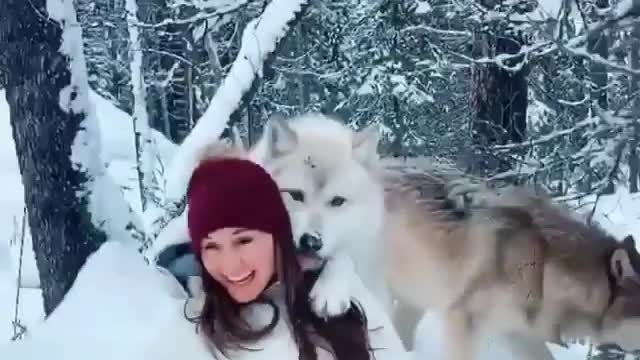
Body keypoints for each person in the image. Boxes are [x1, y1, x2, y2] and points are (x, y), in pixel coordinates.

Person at [144, 155, 409, 360]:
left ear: (276, 235)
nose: (230, 265)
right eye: (211, 247)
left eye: (244, 240)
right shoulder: (192, 326)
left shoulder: (338, 292)